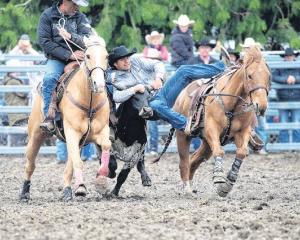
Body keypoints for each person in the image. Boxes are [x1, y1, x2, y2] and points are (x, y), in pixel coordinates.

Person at [38, 0, 91, 133]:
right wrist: (69, 55)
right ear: (65, 2)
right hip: (57, 59)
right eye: (75, 4)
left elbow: (87, 38)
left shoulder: (81, 17)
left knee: (96, 77)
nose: (77, 7)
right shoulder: (48, 16)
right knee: (50, 78)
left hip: (79, 58)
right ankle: (50, 118)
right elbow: (45, 42)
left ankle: (103, 115)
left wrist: (70, 36)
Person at [108, 45, 165, 117]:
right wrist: (134, 89)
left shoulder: (135, 60)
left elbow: (158, 64)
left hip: (156, 94)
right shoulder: (115, 77)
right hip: (140, 105)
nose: (127, 61)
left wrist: (158, 78)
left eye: (127, 58)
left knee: (182, 70)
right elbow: (116, 97)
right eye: (122, 60)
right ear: (115, 64)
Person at [143, 31, 169, 155]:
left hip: (156, 99)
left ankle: (153, 147)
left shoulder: (160, 72)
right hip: (150, 99)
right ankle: (151, 147)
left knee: (152, 123)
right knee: (150, 123)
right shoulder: (149, 71)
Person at [273, 48, 300, 143]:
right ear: (285, 57)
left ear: (294, 56)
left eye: (290, 56)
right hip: (282, 99)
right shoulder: (280, 66)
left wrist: (295, 79)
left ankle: (297, 145)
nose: (289, 57)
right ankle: (283, 145)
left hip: (297, 99)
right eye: (287, 56)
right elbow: (274, 77)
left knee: (296, 124)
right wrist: (286, 79)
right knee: (283, 124)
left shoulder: (298, 65)